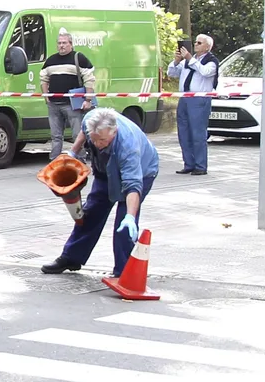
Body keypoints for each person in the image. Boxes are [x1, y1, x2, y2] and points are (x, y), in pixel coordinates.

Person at [41, 106, 158, 278]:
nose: (97, 144)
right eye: (94, 140)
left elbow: (133, 184)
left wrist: (131, 217)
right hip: (106, 169)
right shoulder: (91, 120)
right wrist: (73, 152)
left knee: (123, 224)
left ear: (114, 131)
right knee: (91, 212)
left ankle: (124, 272)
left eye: (102, 140)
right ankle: (71, 257)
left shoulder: (128, 147)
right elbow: (84, 131)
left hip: (142, 171)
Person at [167, 33, 219, 175]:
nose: (195, 44)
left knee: (197, 133)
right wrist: (177, 61)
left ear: (207, 46)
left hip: (199, 99)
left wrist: (190, 59)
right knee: (184, 133)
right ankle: (188, 163)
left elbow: (205, 72)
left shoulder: (211, 61)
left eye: (199, 43)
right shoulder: (188, 61)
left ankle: (200, 166)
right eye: (195, 42)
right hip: (184, 98)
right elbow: (171, 73)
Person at [43, 28, 98, 159]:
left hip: (72, 104)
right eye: (59, 43)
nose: (61, 45)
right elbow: (43, 79)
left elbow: (89, 79)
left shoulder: (79, 58)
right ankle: (54, 161)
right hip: (54, 105)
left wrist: (88, 100)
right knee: (56, 136)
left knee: (77, 135)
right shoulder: (50, 61)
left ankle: (80, 161)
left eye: (64, 43)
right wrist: (46, 98)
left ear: (71, 44)